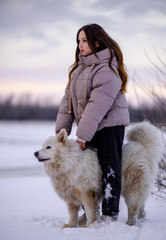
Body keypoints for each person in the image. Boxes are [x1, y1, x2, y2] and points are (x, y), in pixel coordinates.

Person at [56, 23, 130, 221]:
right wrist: (62, 130)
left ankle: (109, 214)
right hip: (90, 127)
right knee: (88, 171)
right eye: (79, 40)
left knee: (109, 169)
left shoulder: (107, 68)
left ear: (97, 42)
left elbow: (97, 104)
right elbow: (67, 101)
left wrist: (82, 134)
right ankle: (91, 212)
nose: (80, 44)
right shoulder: (78, 70)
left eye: (85, 40)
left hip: (109, 126)